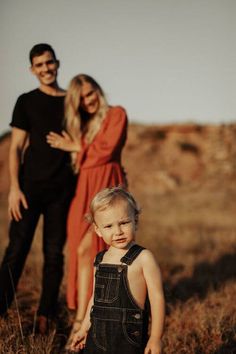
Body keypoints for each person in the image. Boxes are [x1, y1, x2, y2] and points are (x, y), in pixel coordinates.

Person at [46, 74, 128, 345]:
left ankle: (88, 320)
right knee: (80, 251)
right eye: (81, 98)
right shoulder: (82, 125)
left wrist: (76, 147)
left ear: (98, 90)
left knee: (100, 253)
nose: (88, 100)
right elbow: (80, 158)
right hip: (83, 190)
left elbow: (105, 151)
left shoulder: (116, 114)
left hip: (106, 185)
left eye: (91, 93)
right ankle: (81, 318)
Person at [0, 44, 75, 334]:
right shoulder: (26, 101)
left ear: (57, 63)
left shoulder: (71, 101)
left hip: (62, 190)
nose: (45, 69)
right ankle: (2, 307)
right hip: (29, 189)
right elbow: (15, 147)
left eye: (49, 63)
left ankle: (46, 314)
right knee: (16, 250)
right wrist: (14, 189)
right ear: (32, 69)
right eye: (39, 65)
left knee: (54, 254)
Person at [70, 186, 165, 354]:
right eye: (108, 226)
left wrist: (156, 337)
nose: (118, 232)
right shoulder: (99, 259)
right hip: (96, 337)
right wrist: (85, 328)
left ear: (136, 221)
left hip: (127, 340)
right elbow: (95, 300)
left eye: (124, 223)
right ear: (98, 230)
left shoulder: (143, 258)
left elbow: (157, 298)